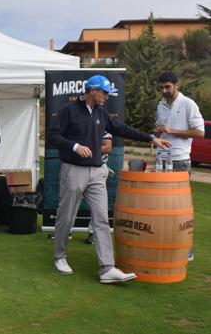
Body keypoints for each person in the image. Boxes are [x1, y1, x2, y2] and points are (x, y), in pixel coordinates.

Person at [47, 74, 171, 284]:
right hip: (73, 170)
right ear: (92, 90)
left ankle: (106, 268)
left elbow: (121, 129)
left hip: (96, 172)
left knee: (102, 219)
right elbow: (53, 136)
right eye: (104, 92)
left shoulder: (100, 112)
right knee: (66, 216)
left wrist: (150, 138)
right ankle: (59, 257)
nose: (106, 96)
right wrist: (75, 146)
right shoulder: (69, 111)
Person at [154, 71, 204, 261]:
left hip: (180, 161)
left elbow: (200, 132)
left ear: (177, 85)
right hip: (161, 160)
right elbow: (161, 127)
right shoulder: (160, 105)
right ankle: (166, 243)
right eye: (161, 87)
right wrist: (157, 132)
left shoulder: (188, 104)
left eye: (167, 87)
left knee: (180, 207)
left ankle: (186, 249)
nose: (164, 90)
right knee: (162, 207)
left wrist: (170, 130)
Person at [85, 131, 112, 245]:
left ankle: (92, 233)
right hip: (77, 168)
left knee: (97, 205)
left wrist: (85, 149)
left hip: (98, 168)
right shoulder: (80, 127)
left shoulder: (104, 130)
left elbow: (107, 148)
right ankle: (66, 232)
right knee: (71, 203)